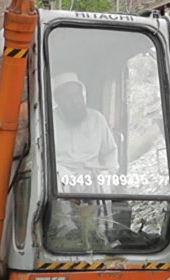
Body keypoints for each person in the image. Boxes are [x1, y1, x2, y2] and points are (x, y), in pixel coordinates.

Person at [49, 72, 120, 251]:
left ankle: (104, 233)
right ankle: (67, 230)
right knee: (55, 176)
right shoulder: (49, 121)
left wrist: (109, 174)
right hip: (61, 174)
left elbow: (110, 152)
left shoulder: (96, 119)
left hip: (91, 173)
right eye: (68, 97)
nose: (75, 101)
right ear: (58, 99)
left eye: (77, 95)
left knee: (104, 181)